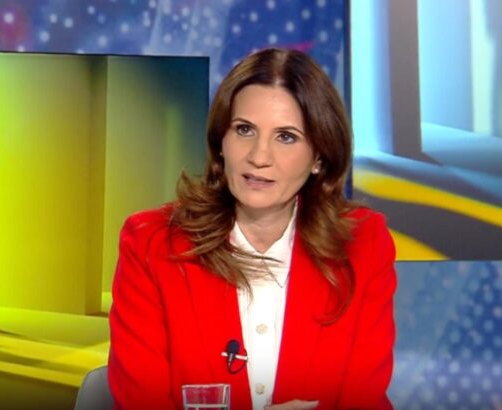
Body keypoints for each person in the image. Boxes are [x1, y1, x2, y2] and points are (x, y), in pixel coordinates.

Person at [108, 48, 396, 410]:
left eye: (286, 137)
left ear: (319, 158)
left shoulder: (363, 243)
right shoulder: (151, 243)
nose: (259, 157)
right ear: (221, 142)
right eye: (244, 130)